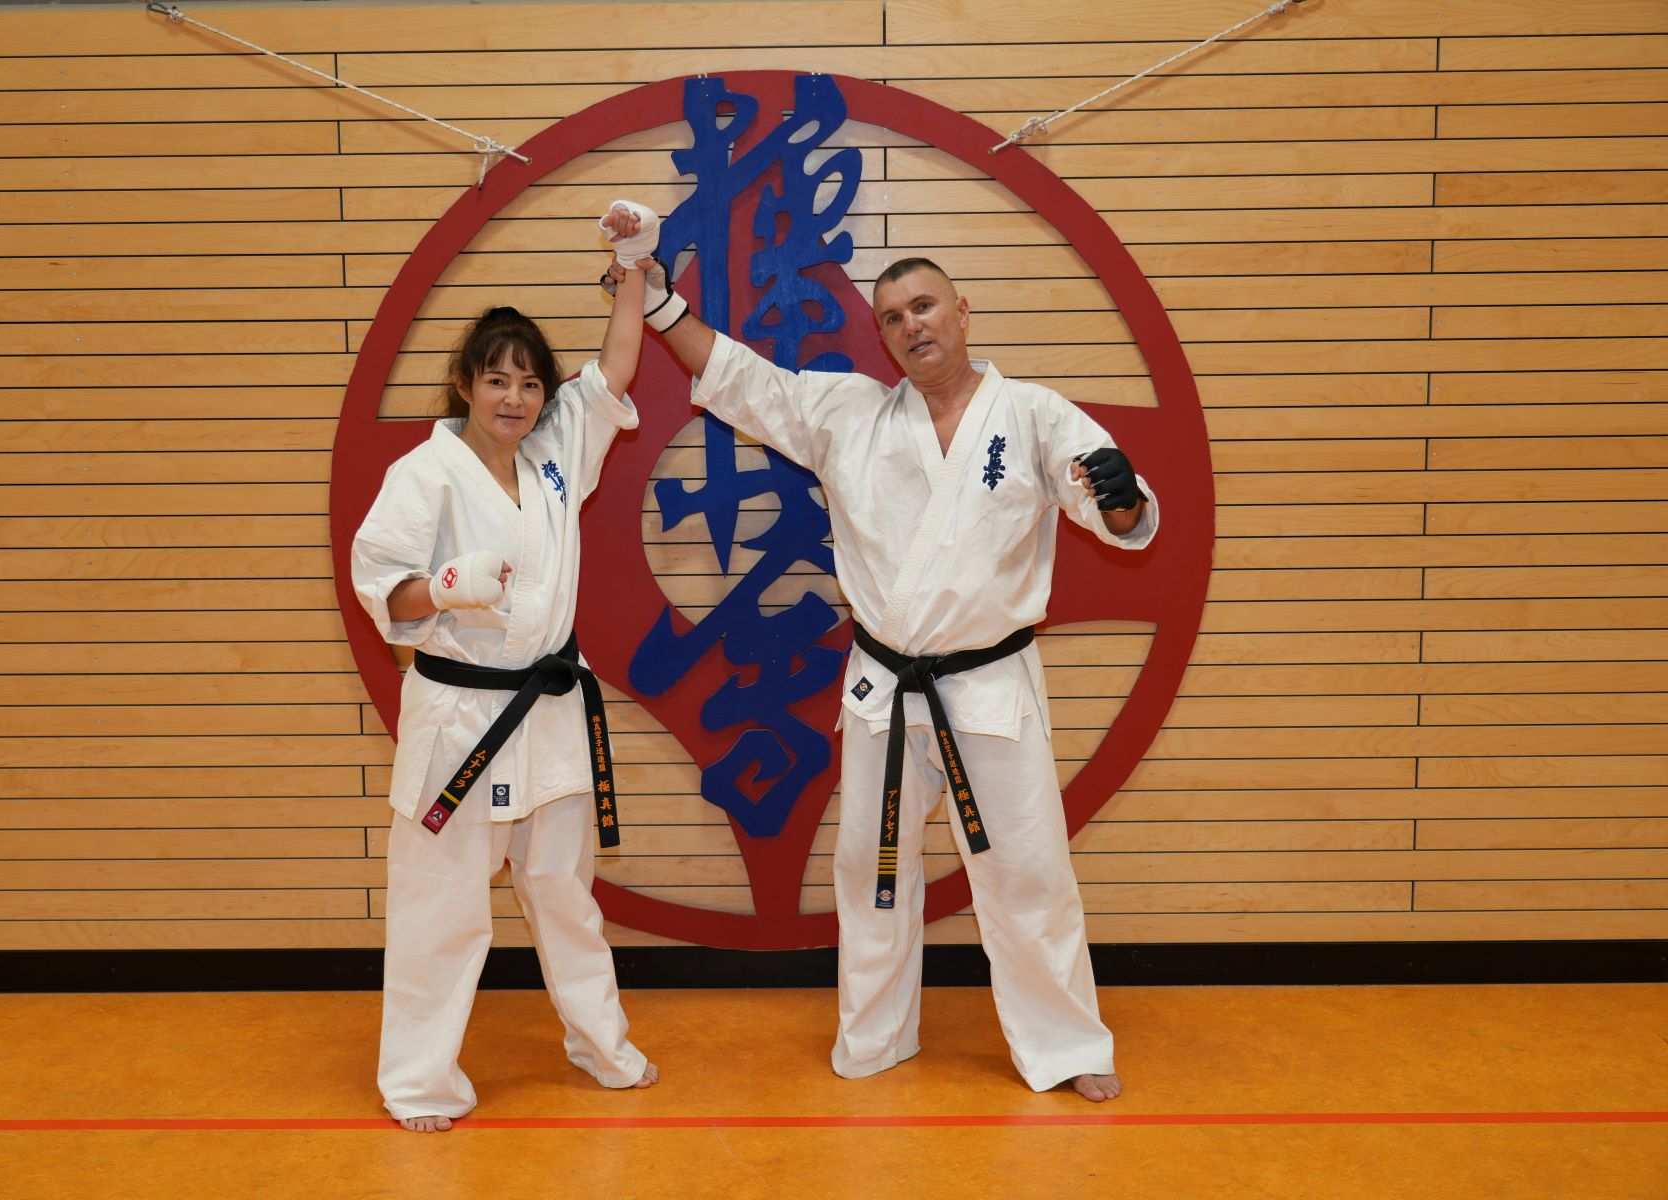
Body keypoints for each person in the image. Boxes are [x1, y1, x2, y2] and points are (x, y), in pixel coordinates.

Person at [620, 243, 1155, 1101]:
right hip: (885, 688)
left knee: (1028, 872)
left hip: (988, 684)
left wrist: (1123, 499)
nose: (913, 326)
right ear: (882, 335)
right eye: (894, 317)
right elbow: (744, 380)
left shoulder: (1033, 415)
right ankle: (875, 1035)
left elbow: (1113, 508)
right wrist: (658, 304)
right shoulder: (850, 414)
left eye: (926, 306)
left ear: (962, 311)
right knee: (870, 870)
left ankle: (1066, 1046)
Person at [353, 202, 663, 1132]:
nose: (515, 398)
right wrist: (444, 587)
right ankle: (419, 1082)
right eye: (497, 380)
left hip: (550, 706)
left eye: (529, 383)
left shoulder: (555, 453)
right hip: (460, 716)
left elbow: (613, 370)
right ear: (465, 384)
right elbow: (382, 584)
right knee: (443, 905)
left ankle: (601, 1046)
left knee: (565, 893)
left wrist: (633, 266)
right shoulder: (424, 473)